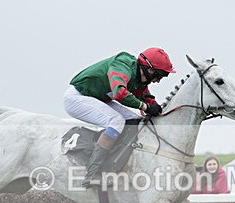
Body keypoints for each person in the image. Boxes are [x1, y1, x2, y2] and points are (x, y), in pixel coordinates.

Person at [63, 48, 173, 188]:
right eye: (159, 76)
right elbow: (120, 93)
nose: (158, 81)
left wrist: (157, 109)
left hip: (98, 98)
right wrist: (144, 107)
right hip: (77, 97)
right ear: (149, 70)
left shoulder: (140, 77)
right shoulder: (122, 65)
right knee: (116, 121)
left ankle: (115, 163)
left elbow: (145, 97)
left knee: (135, 122)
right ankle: (92, 174)